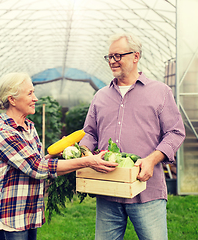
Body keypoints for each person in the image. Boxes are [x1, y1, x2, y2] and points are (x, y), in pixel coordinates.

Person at [0, 72, 118, 240]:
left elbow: (33, 163)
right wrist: (87, 161)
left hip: (27, 213)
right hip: (9, 217)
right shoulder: (3, 133)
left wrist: (54, 155)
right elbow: (38, 168)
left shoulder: (28, 128)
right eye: (30, 93)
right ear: (12, 99)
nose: (35, 98)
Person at [79, 32, 186, 240]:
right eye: (109, 57)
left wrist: (152, 159)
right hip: (108, 190)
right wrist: (84, 155)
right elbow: (90, 133)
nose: (112, 61)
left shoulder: (159, 92)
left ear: (135, 56)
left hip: (147, 191)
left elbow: (175, 132)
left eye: (117, 56)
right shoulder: (100, 96)